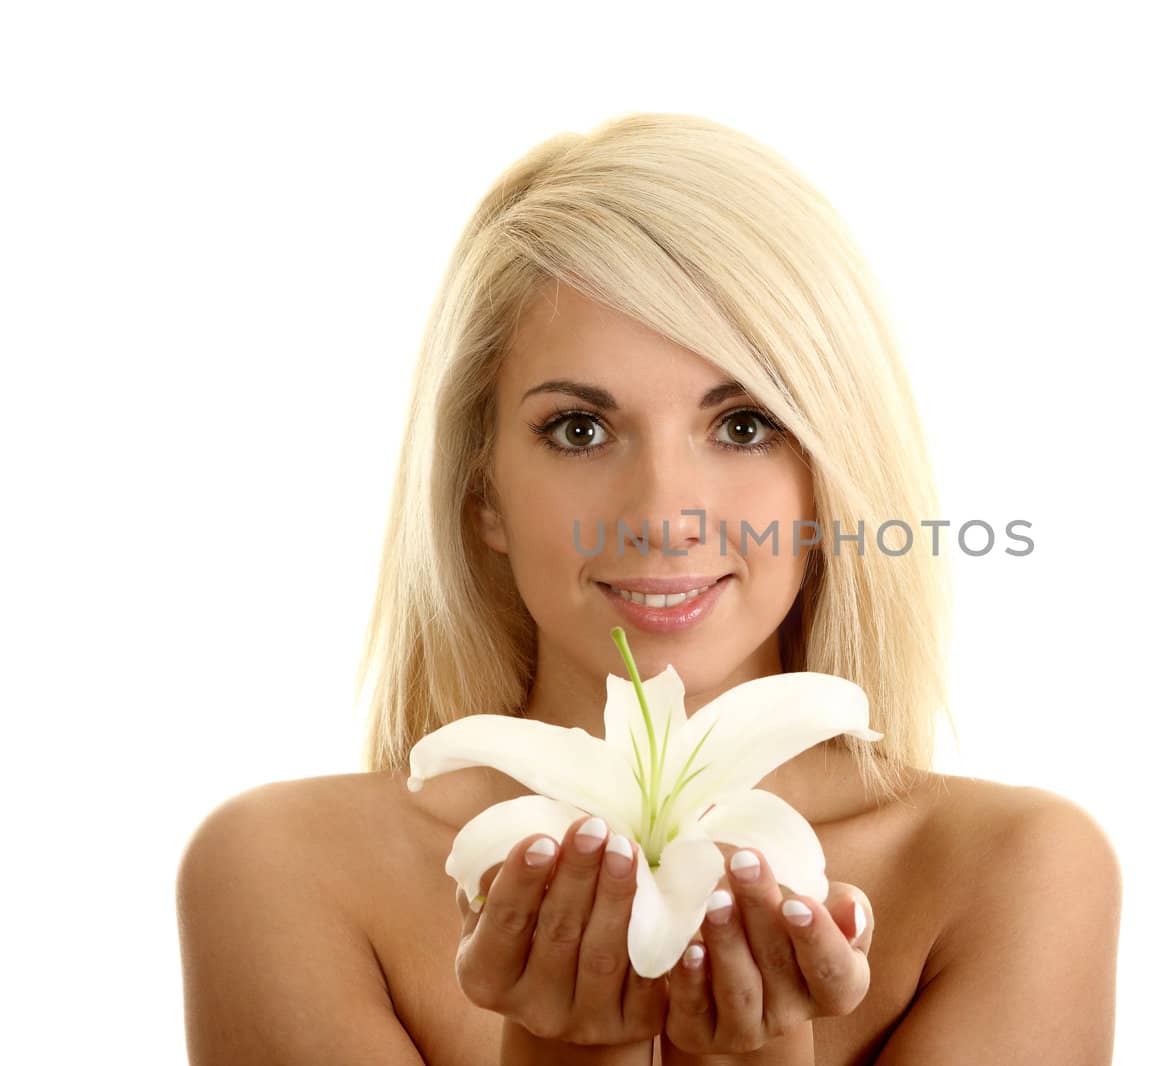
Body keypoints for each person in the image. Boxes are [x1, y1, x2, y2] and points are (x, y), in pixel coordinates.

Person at [176, 111, 1122, 1065]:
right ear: (482, 494)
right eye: (580, 429)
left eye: (745, 424)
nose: (666, 517)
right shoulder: (283, 873)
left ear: (832, 478)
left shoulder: (1017, 874)